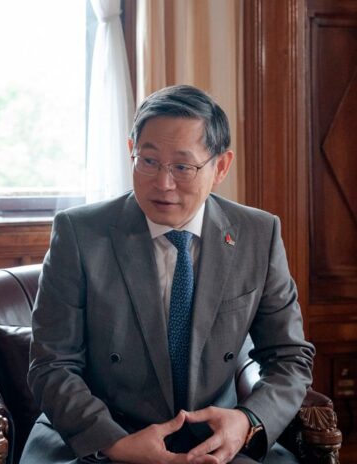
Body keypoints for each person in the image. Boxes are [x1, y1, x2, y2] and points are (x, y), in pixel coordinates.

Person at [21, 85, 315, 464]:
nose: (163, 183)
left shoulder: (257, 234)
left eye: (182, 166)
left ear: (220, 167)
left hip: (214, 442)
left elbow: (289, 357)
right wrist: (115, 442)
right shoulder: (80, 234)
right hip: (103, 438)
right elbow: (52, 365)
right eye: (148, 161)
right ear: (131, 149)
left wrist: (247, 421)